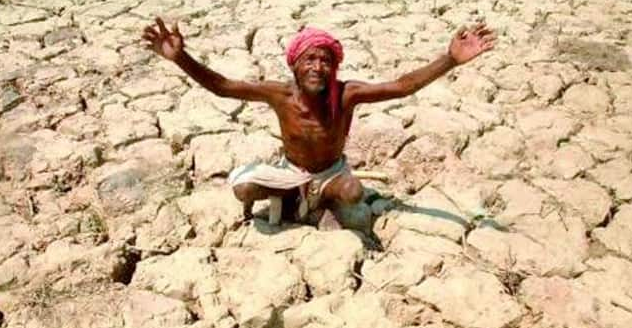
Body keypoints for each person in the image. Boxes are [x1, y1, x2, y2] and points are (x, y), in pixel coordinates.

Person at [142, 18, 495, 228]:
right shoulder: (279, 94)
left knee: (353, 193)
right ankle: (292, 197)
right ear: (295, 65)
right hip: (290, 170)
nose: (317, 66)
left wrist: (450, 59)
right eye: (309, 59)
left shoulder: (346, 94)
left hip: (330, 174)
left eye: (325, 60)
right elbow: (222, 87)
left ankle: (318, 204)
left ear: (334, 67)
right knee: (243, 190)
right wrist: (181, 58)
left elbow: (403, 86)